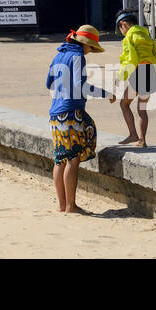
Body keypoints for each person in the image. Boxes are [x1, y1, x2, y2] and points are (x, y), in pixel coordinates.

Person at [45, 24, 113, 213]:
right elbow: (82, 86)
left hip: (55, 113)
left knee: (60, 160)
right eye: (91, 47)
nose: (90, 51)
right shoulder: (77, 57)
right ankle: (71, 206)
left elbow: (48, 82)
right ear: (85, 44)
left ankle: (62, 205)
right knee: (73, 160)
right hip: (71, 113)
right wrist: (106, 94)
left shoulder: (58, 55)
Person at [115, 10, 156, 146]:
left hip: (140, 72)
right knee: (142, 108)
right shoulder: (147, 36)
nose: (121, 31)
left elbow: (131, 60)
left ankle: (133, 134)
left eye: (120, 28)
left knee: (124, 104)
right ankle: (142, 140)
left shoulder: (129, 38)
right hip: (150, 71)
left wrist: (120, 78)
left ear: (124, 24)